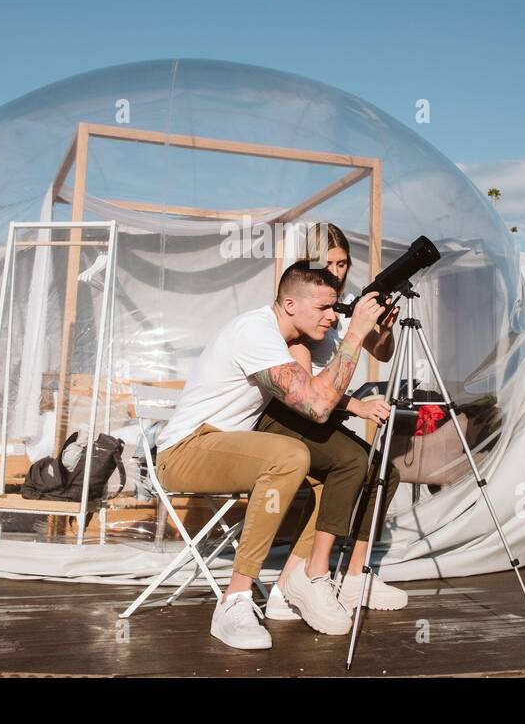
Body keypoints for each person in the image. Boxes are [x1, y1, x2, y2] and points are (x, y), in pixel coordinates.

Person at [153, 260, 386, 649]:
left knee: (338, 468)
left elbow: (317, 395)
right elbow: (316, 405)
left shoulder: (285, 338)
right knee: (291, 455)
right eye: (324, 308)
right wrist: (357, 335)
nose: (332, 316)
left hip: (231, 445)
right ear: (290, 304)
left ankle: (286, 589)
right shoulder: (255, 331)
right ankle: (235, 600)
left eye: (336, 307)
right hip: (185, 449)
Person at [259, 223, 407, 623]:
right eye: (330, 264)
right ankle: (313, 575)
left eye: (343, 264)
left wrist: (384, 331)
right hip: (295, 418)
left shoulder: (337, 312)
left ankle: (355, 575)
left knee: (384, 474)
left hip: (323, 413)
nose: (338, 272)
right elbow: (309, 396)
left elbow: (382, 351)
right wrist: (357, 406)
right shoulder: (305, 320)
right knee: (354, 464)